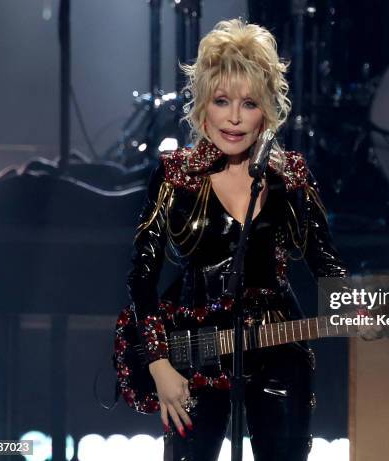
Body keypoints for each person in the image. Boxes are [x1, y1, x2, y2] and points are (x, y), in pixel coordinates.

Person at [126, 18, 347, 461]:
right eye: (221, 100)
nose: (233, 117)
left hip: (279, 349)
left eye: (248, 103)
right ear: (203, 105)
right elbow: (142, 277)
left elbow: (327, 266)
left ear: (266, 108)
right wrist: (158, 364)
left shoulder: (290, 175)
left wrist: (359, 309)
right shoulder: (174, 176)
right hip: (192, 354)